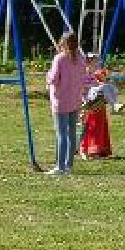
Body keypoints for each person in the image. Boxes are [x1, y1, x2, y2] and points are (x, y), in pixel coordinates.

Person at [45, 32, 90, 174]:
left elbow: (52, 79)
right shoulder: (81, 59)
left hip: (60, 100)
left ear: (63, 43)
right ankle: (68, 165)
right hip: (75, 100)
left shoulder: (60, 59)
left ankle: (60, 166)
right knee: (71, 133)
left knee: (62, 134)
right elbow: (84, 78)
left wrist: (47, 76)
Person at [79, 68, 115, 159]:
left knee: (99, 129)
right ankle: (93, 150)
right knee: (95, 129)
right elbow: (89, 98)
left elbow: (110, 97)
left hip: (99, 111)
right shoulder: (99, 87)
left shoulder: (103, 86)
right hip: (94, 111)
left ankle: (100, 149)